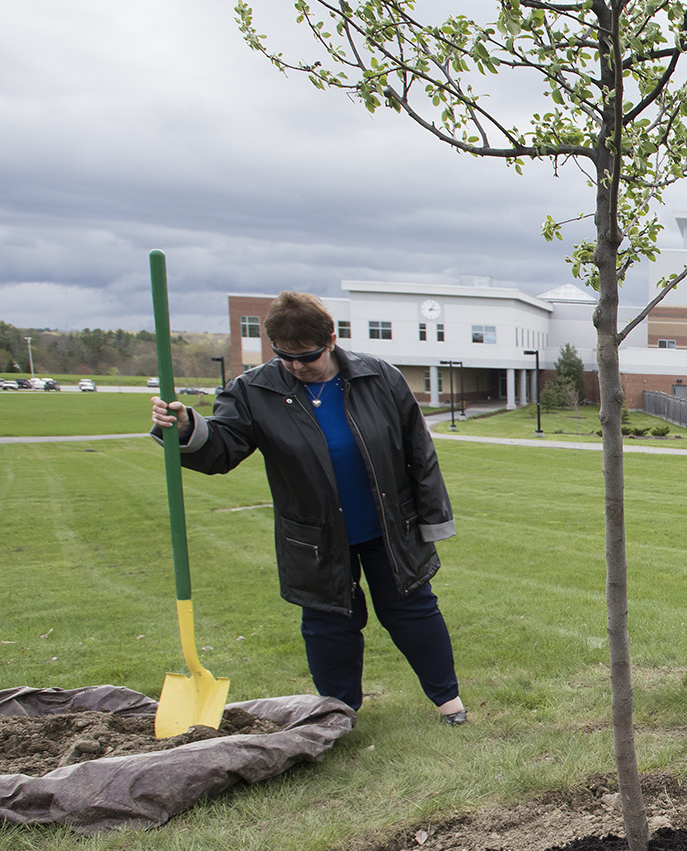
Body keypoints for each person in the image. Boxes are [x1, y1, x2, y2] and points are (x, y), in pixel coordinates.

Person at [147, 291, 467, 722]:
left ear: (331, 339)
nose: (297, 366)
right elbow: (221, 449)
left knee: (412, 611)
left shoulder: (379, 377)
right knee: (330, 625)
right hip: (314, 537)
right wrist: (187, 427)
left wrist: (432, 518)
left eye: (308, 356)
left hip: (389, 527)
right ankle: (339, 714)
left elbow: (419, 449)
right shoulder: (253, 390)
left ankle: (449, 703)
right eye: (285, 357)